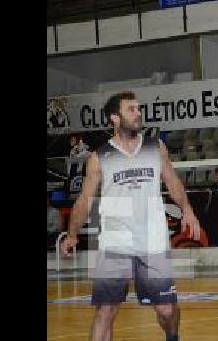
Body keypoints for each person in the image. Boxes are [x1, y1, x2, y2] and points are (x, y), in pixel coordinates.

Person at [60, 92, 202, 341]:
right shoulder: (99, 157)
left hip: (153, 241)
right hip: (115, 242)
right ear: (115, 117)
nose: (138, 113)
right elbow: (84, 200)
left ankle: (172, 337)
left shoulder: (155, 147)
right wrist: (71, 235)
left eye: (138, 108)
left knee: (167, 310)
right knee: (106, 309)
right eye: (131, 109)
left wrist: (187, 209)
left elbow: (172, 180)